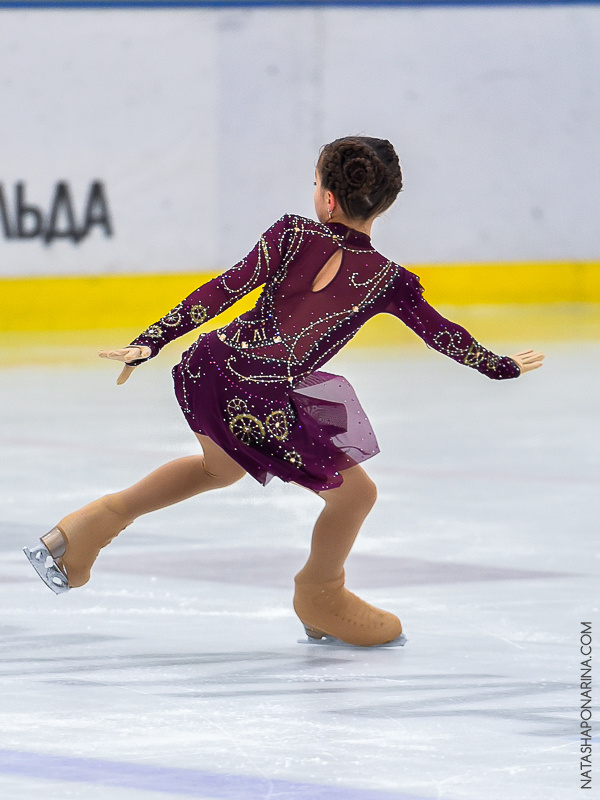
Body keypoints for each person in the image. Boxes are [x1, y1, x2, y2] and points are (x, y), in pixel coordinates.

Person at [24, 136, 544, 647]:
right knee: (356, 495)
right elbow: (444, 335)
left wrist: (152, 341)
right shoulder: (387, 279)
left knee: (217, 468)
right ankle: (320, 593)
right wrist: (501, 367)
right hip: (260, 394)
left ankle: (89, 528)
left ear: (327, 198)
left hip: (213, 365)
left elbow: (223, 289)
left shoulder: (291, 235)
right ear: (385, 205)